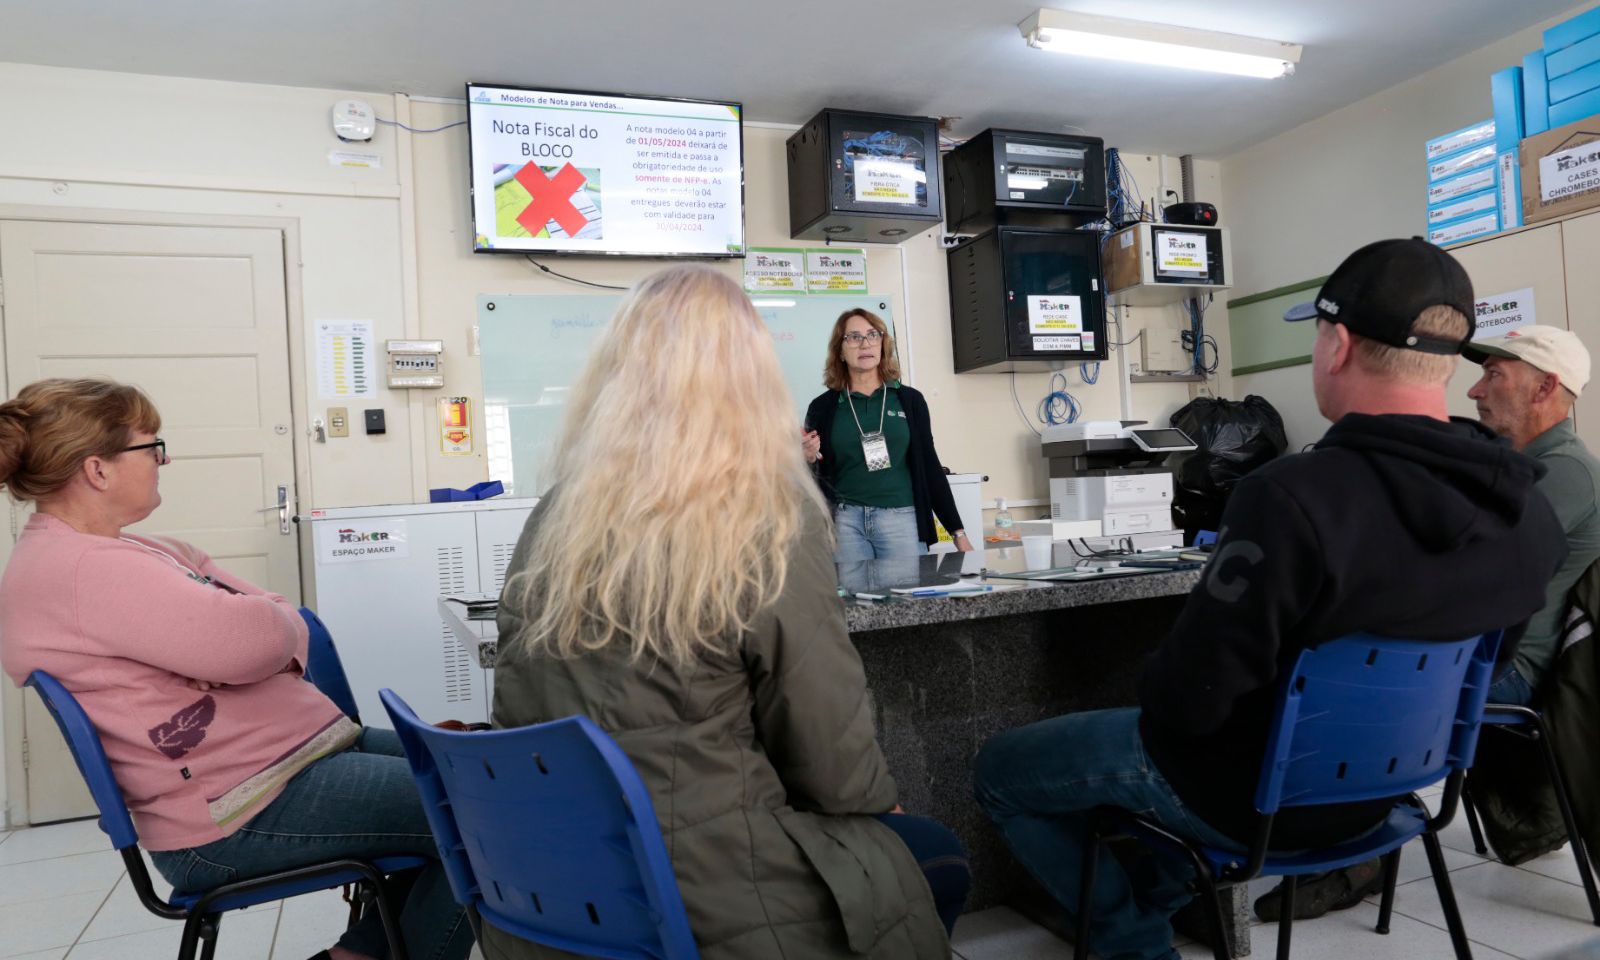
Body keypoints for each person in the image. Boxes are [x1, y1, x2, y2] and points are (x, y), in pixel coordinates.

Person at [972, 238, 1566, 959]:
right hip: (1392, 799)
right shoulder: (1527, 511)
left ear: (1338, 344)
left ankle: (1132, 940)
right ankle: (1157, 899)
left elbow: (1188, 700)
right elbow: (1481, 670)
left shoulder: (1287, 499)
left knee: (1001, 771)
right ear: (1449, 362)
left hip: (1249, 801)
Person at [492, 266, 966, 960]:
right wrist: (875, 803)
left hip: (557, 871)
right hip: (702, 881)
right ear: (749, 377)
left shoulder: (559, 512)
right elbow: (827, 747)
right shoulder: (764, 516)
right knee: (929, 853)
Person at [0, 378, 471, 960]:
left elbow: (279, 623)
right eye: (152, 447)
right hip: (243, 809)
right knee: (487, 811)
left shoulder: (138, 552)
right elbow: (260, 639)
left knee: (486, 771)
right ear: (98, 469)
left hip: (288, 765)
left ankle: (362, 954)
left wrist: (254, 642)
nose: (162, 461)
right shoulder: (83, 571)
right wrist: (255, 642)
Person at [1464, 325, 1600, 705]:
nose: (1474, 391)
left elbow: (1465, 567)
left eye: (1494, 375)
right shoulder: (1519, 466)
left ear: (1544, 389)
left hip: (1505, 668)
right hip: (1474, 653)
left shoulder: (1568, 471)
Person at [803, 308, 970, 561]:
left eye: (873, 335)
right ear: (840, 350)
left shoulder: (910, 400)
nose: (865, 343)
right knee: (855, 600)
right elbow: (813, 478)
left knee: (904, 599)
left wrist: (957, 532)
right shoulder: (823, 406)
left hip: (901, 519)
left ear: (883, 344)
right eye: (854, 337)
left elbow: (929, 465)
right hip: (845, 522)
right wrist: (808, 458)